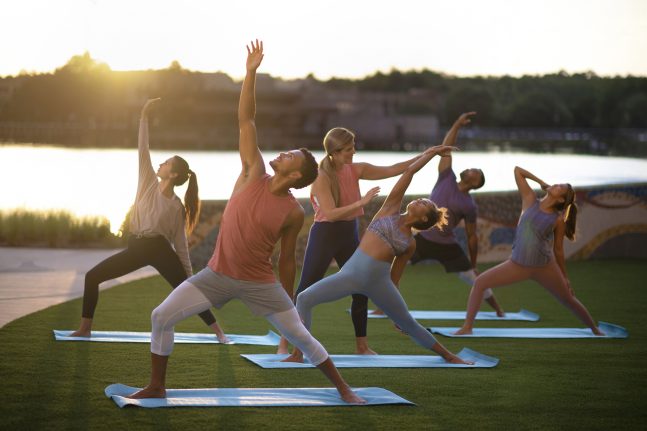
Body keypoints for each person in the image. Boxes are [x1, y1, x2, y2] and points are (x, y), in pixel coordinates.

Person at [129, 40, 365, 404]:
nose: (281, 153)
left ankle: (344, 389)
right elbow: (246, 119)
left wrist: (288, 298)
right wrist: (250, 73)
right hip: (216, 274)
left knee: (301, 336)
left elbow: (287, 258)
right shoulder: (252, 172)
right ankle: (157, 385)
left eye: (289, 155)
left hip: (259, 283)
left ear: (297, 172)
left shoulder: (292, 211)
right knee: (161, 316)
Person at [284, 145, 473, 365]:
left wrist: (393, 307)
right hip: (351, 276)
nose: (422, 200)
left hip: (379, 283)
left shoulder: (410, 243)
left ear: (424, 219)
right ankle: (298, 354)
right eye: (423, 199)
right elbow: (409, 172)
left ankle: (449, 356)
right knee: (305, 298)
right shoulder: (390, 209)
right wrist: (431, 153)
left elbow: (395, 276)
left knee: (409, 323)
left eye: (426, 204)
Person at [70, 98, 227, 342]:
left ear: (173, 174)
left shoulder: (176, 206)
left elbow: (180, 244)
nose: (160, 163)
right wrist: (143, 116)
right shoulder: (147, 183)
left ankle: (219, 332)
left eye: (166, 163)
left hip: (159, 250)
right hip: (136, 246)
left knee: (186, 289)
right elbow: (143, 147)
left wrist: (187, 274)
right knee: (93, 277)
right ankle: (85, 328)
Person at [277, 127, 429, 355]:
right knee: (304, 289)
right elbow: (329, 213)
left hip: (349, 233)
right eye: (348, 149)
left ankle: (362, 346)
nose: (353, 152)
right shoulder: (320, 177)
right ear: (335, 152)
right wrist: (363, 201)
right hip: (325, 234)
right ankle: (284, 343)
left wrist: (430, 153)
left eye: (353, 147)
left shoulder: (355, 169)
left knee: (361, 289)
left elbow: (397, 169)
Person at [454, 166, 603, 335]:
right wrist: (541, 182)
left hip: (544, 266)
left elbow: (559, 250)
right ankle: (467, 327)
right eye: (558, 183)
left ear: (561, 200)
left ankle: (594, 328)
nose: (556, 184)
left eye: (560, 187)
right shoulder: (530, 199)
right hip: (518, 264)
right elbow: (518, 170)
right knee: (480, 282)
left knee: (568, 299)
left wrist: (564, 277)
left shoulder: (558, 220)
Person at [397, 112, 504, 316]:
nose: (470, 169)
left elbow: (472, 237)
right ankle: (380, 308)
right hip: (424, 239)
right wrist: (456, 125)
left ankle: (499, 310)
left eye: (475, 171)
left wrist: (473, 264)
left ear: (475, 183)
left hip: (447, 245)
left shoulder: (469, 205)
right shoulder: (446, 177)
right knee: (396, 264)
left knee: (472, 279)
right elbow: (445, 150)